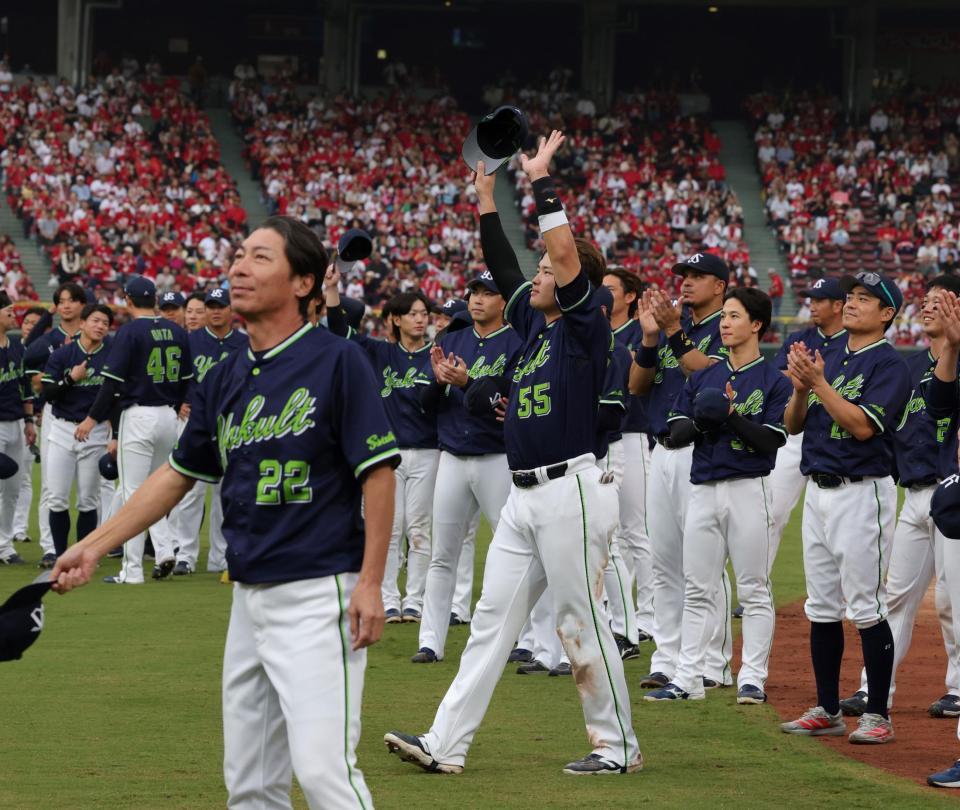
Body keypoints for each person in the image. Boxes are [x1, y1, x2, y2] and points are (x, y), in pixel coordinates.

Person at [50, 215, 399, 808]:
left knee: (323, 775)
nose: (238, 267)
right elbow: (177, 475)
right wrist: (94, 543)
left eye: (261, 258)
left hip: (320, 592)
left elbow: (378, 473)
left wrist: (370, 581)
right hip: (247, 595)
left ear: (304, 282)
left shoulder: (338, 361)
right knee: (250, 785)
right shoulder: (227, 373)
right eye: (238, 254)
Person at [385, 135, 641, 775]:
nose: (536, 276)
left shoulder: (585, 326)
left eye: (550, 272)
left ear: (575, 280)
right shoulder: (535, 330)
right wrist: (484, 198)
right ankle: (446, 744)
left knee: (580, 622)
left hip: (572, 491)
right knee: (491, 623)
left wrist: (541, 184)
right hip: (525, 496)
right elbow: (504, 265)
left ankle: (617, 748)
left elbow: (560, 249)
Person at [780, 271, 910, 744]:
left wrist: (818, 383)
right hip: (817, 491)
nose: (852, 303)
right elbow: (793, 426)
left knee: (867, 608)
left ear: (887, 314)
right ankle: (829, 709)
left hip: (863, 493)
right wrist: (800, 388)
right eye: (851, 296)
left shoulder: (891, 366)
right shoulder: (829, 355)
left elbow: (861, 427)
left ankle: (878, 715)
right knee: (822, 607)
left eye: (865, 298)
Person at [646, 287, 791, 704]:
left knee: (753, 589)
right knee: (697, 588)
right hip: (704, 488)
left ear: (756, 324)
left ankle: (752, 678)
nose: (724, 323)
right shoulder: (706, 375)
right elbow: (675, 433)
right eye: (724, 316)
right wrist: (707, 420)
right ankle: (688, 678)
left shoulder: (773, 381)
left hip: (749, 487)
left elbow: (770, 442)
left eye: (734, 316)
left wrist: (728, 415)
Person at [838, 274, 960, 719]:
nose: (928, 308)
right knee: (895, 597)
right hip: (914, 495)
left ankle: (957, 688)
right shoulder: (906, 369)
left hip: (954, 495)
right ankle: (875, 689)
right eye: (924, 302)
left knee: (952, 599)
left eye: (940, 301)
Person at [628, 252, 733, 691]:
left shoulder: (726, 327)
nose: (687, 282)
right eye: (684, 276)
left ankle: (713, 661)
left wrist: (671, 331)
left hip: (700, 451)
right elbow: (636, 386)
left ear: (720, 286)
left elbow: (706, 374)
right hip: (661, 450)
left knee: (702, 564)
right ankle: (667, 657)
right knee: (664, 563)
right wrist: (652, 338)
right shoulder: (676, 328)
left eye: (698, 276)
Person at [412, 270, 521, 663]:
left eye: (488, 293)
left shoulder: (518, 341)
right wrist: (440, 382)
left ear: (504, 301)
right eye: (474, 291)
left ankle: (518, 638)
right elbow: (425, 402)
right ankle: (430, 641)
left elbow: (504, 401)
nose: (477, 299)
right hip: (453, 456)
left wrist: (466, 380)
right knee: (442, 553)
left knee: (512, 550)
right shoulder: (452, 339)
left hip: (497, 456)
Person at [326, 283, 438, 623]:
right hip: (388, 455)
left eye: (424, 314)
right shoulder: (379, 353)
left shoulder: (438, 353)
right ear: (395, 320)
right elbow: (339, 330)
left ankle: (415, 600)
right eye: (412, 314)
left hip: (427, 451)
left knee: (419, 529)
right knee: (388, 527)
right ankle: (389, 598)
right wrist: (331, 291)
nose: (420, 320)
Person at [77, 276, 191, 585]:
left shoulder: (128, 332)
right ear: (154, 299)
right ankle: (165, 549)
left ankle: (132, 570)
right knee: (156, 490)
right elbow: (187, 379)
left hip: (138, 415)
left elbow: (112, 383)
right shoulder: (177, 331)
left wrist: (92, 418)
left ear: (128, 300)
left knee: (133, 494)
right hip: (169, 415)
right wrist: (178, 403)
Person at [172, 287, 248, 575]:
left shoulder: (244, 343)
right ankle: (185, 555)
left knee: (223, 493)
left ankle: (220, 556)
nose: (215, 311)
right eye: (211, 306)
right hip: (192, 422)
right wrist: (178, 401)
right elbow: (175, 377)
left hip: (231, 425)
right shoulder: (190, 341)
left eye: (221, 305)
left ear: (231, 310)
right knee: (190, 491)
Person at [603, 267, 653, 651]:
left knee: (636, 530)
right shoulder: (595, 329)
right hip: (602, 438)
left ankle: (647, 616)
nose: (602, 293)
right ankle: (615, 613)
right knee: (611, 532)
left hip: (634, 433)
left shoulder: (640, 332)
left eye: (610, 288)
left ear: (631, 296)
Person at [41, 304, 114, 557]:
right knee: (57, 497)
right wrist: (71, 378)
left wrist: (108, 431)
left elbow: (115, 396)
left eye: (105, 322)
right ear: (82, 323)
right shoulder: (63, 354)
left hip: (94, 432)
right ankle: (61, 555)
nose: (100, 326)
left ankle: (81, 556)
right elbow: (47, 393)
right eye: (95, 320)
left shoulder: (112, 355)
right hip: (62, 429)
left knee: (88, 500)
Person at [24, 282, 86, 568]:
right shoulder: (46, 342)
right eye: (62, 301)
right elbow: (36, 381)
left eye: (72, 300)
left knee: (91, 490)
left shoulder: (96, 336)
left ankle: (90, 546)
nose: (67, 305)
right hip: (56, 412)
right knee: (51, 485)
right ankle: (51, 547)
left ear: (82, 304)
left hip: (90, 413)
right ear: (57, 306)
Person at [0, 290, 36, 565]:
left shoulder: (16, 346)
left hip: (15, 423)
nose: (14, 315)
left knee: (13, 488)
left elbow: (24, 385)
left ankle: (4, 545)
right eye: (8, 311)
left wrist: (29, 420)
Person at [11, 306, 48, 544]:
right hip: (13, 415)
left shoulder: (47, 351)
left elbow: (45, 384)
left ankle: (19, 528)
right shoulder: (12, 347)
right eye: (28, 323)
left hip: (35, 418)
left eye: (36, 323)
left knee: (24, 477)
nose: (30, 327)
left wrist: (38, 408)